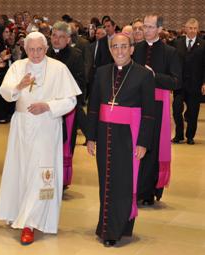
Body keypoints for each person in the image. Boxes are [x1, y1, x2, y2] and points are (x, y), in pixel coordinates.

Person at [0, 31, 81, 245]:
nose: (35, 54)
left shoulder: (58, 68)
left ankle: (30, 223)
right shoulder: (18, 67)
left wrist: (48, 106)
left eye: (39, 49)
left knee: (40, 174)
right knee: (20, 170)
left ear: (46, 49)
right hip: (21, 126)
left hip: (46, 126)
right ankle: (17, 212)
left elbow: (71, 101)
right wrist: (18, 86)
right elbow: (5, 92)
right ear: (26, 49)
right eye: (31, 49)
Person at [87, 33, 155, 247]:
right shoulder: (101, 72)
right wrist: (90, 137)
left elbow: (149, 113)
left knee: (123, 183)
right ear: (110, 49)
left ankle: (118, 228)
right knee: (106, 182)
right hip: (105, 133)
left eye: (124, 46)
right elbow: (94, 107)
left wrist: (143, 142)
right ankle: (108, 226)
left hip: (128, 136)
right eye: (114, 46)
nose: (119, 51)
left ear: (132, 49)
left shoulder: (144, 75)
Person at [133, 14, 181, 205]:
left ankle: (150, 191)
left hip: (158, 104)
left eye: (151, 27)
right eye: (144, 26)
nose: (146, 30)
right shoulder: (135, 49)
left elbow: (177, 82)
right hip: (137, 104)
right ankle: (136, 189)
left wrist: (154, 76)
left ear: (160, 29)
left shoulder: (170, 52)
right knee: (137, 146)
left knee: (152, 148)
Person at [47, 21, 87, 190]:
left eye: (61, 37)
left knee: (64, 143)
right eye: (54, 36)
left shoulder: (75, 55)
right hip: (46, 108)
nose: (56, 40)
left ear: (68, 38)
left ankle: (61, 181)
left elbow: (80, 82)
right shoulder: (43, 53)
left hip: (66, 108)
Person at [172, 18, 205, 145]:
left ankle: (190, 136)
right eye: (190, 28)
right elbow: (173, 63)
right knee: (176, 109)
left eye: (195, 28)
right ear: (185, 28)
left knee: (193, 112)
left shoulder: (202, 44)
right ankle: (179, 135)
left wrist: (204, 83)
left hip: (195, 84)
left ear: (198, 29)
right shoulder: (177, 43)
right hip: (179, 84)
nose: (192, 31)